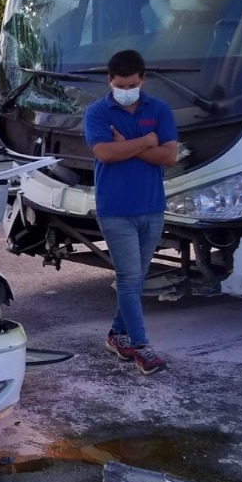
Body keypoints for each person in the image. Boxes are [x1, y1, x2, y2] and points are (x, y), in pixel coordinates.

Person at [83, 49, 178, 375]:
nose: (127, 90)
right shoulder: (97, 112)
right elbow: (105, 152)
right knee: (128, 278)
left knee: (135, 281)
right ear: (110, 81)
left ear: (143, 79)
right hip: (116, 210)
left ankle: (117, 335)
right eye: (121, 85)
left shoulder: (160, 109)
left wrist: (131, 144)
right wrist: (148, 141)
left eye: (133, 84)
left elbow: (169, 156)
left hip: (152, 207)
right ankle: (141, 347)